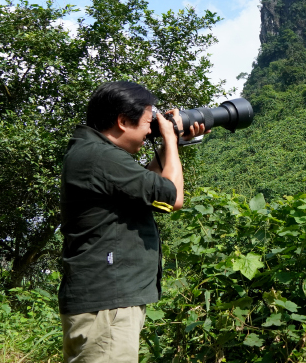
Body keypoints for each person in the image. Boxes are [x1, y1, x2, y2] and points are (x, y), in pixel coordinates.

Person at [58, 81, 207, 363]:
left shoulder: (93, 153)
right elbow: (171, 197)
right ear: (123, 121)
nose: (149, 131)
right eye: (149, 122)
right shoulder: (100, 157)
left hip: (102, 302)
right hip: (107, 306)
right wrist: (171, 140)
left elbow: (146, 187)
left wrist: (169, 145)